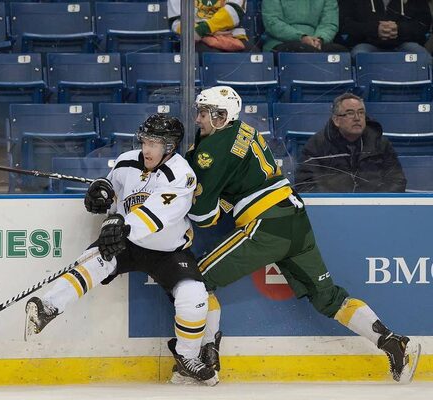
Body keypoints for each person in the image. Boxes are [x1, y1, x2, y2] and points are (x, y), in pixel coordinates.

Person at [185, 85, 421, 383]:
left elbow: (203, 217)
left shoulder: (213, 148)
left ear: (222, 116)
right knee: (328, 298)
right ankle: (393, 343)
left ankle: (206, 356)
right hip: (294, 218)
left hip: (267, 224)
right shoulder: (244, 129)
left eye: (204, 113)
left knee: (196, 281)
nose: (199, 119)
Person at [25, 114, 219, 386]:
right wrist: (101, 193)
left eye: (154, 144)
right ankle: (48, 307)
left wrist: (123, 225)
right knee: (91, 262)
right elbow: (113, 192)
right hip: (128, 243)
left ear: (170, 146)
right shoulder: (126, 161)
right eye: (145, 141)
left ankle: (186, 358)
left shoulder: (182, 175)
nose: (147, 149)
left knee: (194, 296)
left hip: (168, 250)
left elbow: (158, 213)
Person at [295, 93, 407, 193]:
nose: (357, 118)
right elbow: (305, 185)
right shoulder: (316, 145)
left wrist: (375, 201)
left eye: (361, 113)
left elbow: (397, 180)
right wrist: (335, 202)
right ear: (336, 120)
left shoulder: (380, 143)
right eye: (350, 113)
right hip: (334, 206)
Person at [337, 0, 431, 59]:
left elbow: (423, 24)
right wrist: (375, 29)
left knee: (423, 57)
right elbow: (345, 24)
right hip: (366, 44)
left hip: (404, 43)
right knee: (359, 55)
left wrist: (399, 29)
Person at [261, 0, 348, 53]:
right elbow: (272, 22)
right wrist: (301, 37)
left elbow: (329, 23)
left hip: (317, 42)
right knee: (304, 49)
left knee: (340, 51)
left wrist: (319, 39)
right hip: (281, 42)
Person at [167, 0, 250, 53]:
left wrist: (204, 31)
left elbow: (234, 11)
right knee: (211, 56)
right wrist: (207, 37)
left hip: (233, 37)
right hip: (196, 40)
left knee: (252, 57)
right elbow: (177, 22)